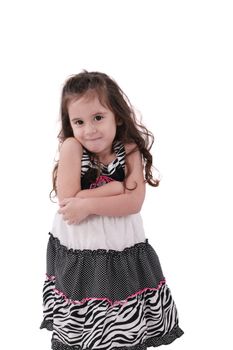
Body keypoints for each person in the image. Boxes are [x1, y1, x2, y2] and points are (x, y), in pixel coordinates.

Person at [40, 71, 184, 349]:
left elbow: (133, 203)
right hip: (83, 246)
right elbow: (69, 201)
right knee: (87, 307)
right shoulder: (72, 148)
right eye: (79, 122)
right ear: (70, 124)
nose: (89, 130)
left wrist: (90, 202)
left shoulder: (129, 149)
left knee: (120, 313)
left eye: (98, 118)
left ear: (116, 116)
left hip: (122, 243)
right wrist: (115, 188)